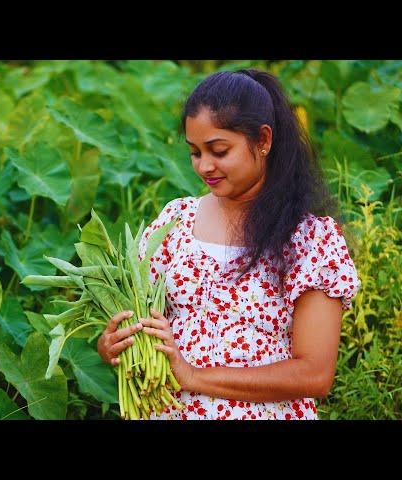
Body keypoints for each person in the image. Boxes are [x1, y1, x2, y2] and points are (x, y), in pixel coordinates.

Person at [96, 68, 361, 420]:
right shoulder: (175, 223)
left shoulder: (309, 239)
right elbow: (139, 321)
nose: (205, 165)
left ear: (263, 141)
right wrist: (113, 345)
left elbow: (315, 373)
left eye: (219, 150)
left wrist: (193, 376)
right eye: (194, 152)